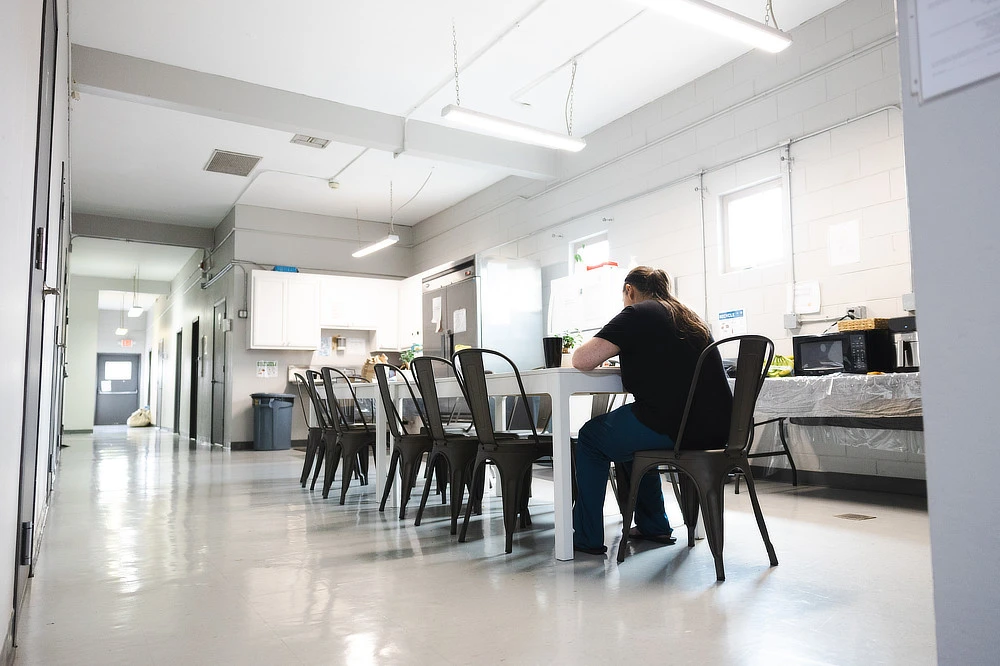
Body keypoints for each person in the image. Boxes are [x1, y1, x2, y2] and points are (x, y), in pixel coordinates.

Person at [570, 266, 733, 555]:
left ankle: (587, 537)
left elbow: (582, 360)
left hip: (674, 427)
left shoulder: (637, 313)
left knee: (591, 437)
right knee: (631, 437)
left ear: (629, 290)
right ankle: (653, 525)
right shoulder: (689, 315)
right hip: (718, 430)